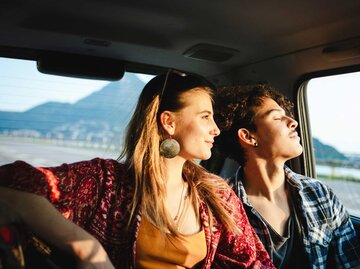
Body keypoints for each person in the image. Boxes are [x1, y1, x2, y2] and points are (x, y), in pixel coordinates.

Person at [0, 71, 275, 269]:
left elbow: (256, 263)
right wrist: (86, 247)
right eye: (205, 117)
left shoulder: (217, 197)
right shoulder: (106, 182)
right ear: (168, 122)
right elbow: (12, 182)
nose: (216, 129)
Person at [214, 83, 360, 269]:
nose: (293, 122)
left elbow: (351, 263)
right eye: (276, 117)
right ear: (249, 137)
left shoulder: (320, 194)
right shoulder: (222, 208)